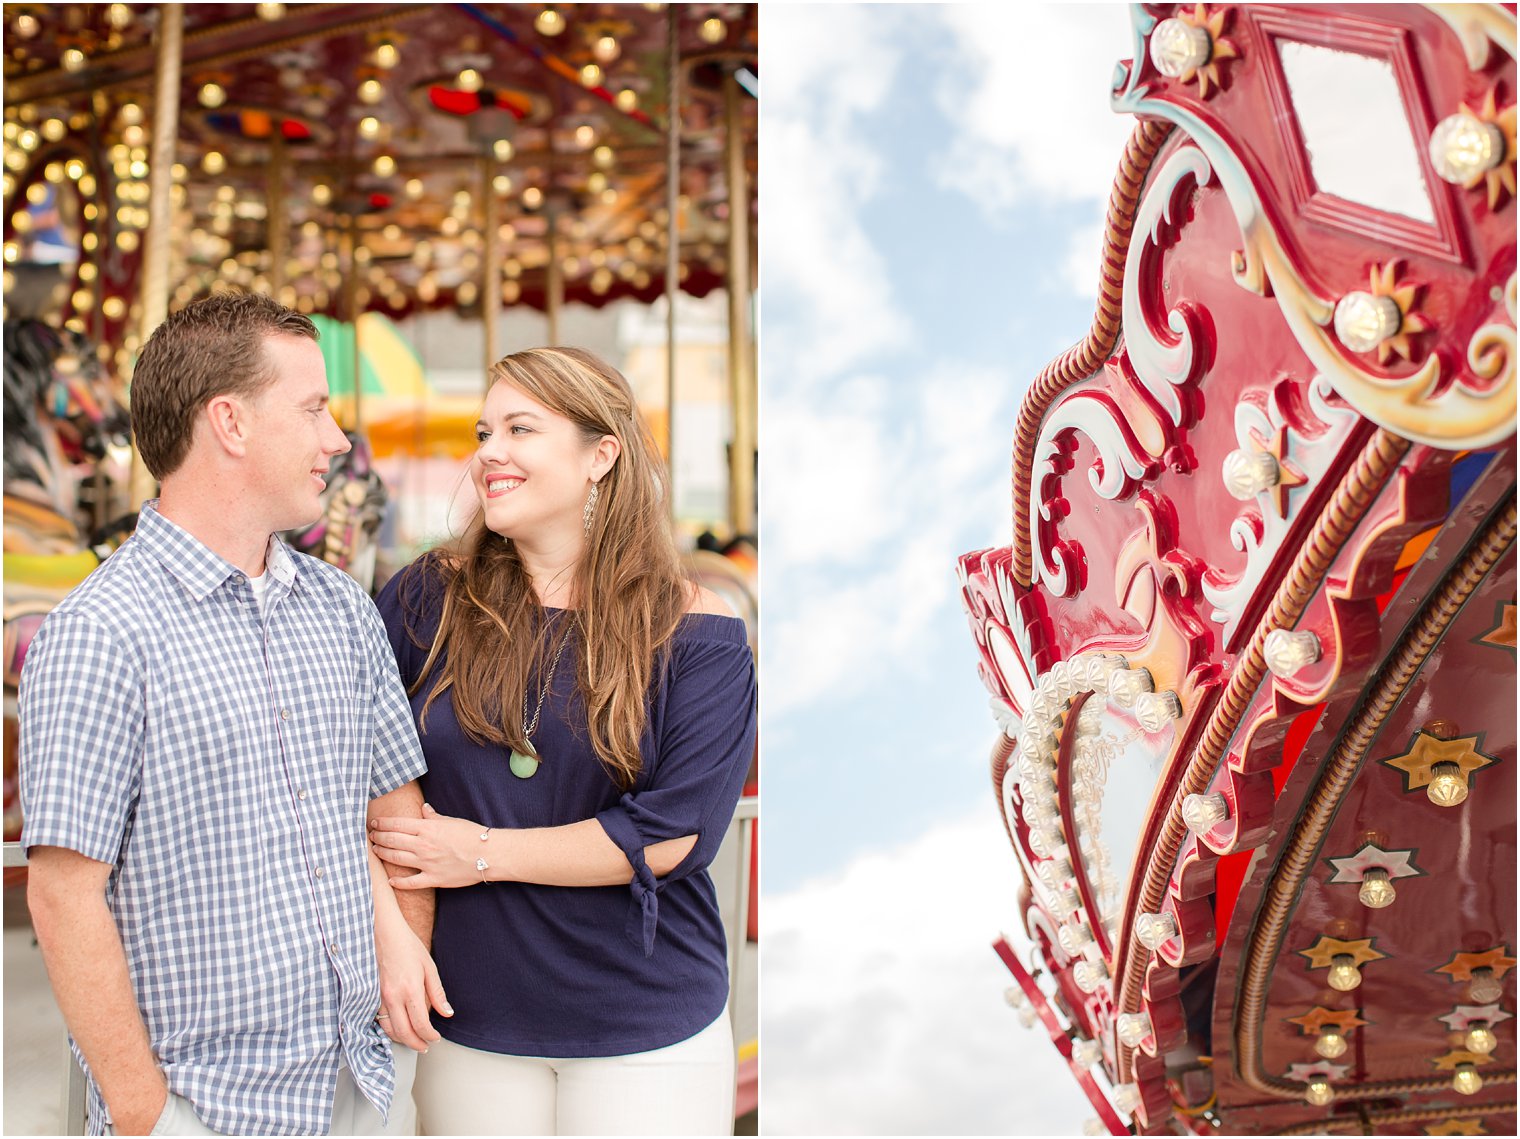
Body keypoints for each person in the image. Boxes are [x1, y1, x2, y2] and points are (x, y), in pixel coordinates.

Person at [20, 292, 448, 1136]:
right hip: (207, 1108)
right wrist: (145, 1109)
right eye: (315, 408)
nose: (337, 439)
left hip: (361, 1083)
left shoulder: (341, 608)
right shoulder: (101, 633)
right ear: (231, 423)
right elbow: (66, 894)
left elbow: (393, 814)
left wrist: (400, 982)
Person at [368, 347, 756, 1135]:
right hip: (466, 1014)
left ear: (600, 455)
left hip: (642, 1024)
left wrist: (476, 851)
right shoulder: (424, 599)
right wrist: (390, 936)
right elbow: (349, 775)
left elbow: (672, 834)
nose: (489, 452)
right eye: (484, 431)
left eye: (520, 428)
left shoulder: (699, 632)